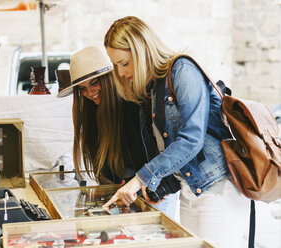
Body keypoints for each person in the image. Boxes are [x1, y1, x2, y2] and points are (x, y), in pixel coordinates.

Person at [103, 16, 250, 247]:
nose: (120, 73)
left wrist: (140, 178)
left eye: (124, 63)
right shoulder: (150, 90)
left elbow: (192, 140)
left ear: (142, 51)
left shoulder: (183, 70)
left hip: (218, 189)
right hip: (189, 190)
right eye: (116, 66)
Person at [57, 46, 177, 217]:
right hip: (125, 195)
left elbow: (154, 154)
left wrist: (141, 186)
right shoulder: (91, 112)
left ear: (108, 78)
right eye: (82, 89)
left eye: (94, 82)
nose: (89, 92)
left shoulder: (134, 103)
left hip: (154, 191)